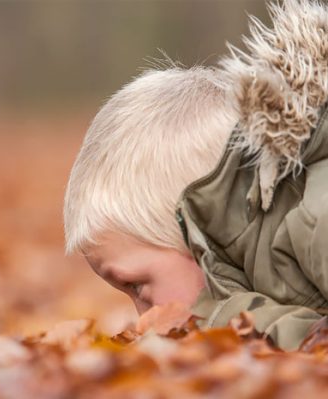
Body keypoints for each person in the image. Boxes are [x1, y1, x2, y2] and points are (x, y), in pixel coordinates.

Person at [63, 0, 328, 350]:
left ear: (199, 227)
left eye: (138, 287)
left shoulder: (316, 215)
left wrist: (220, 320)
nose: (143, 320)